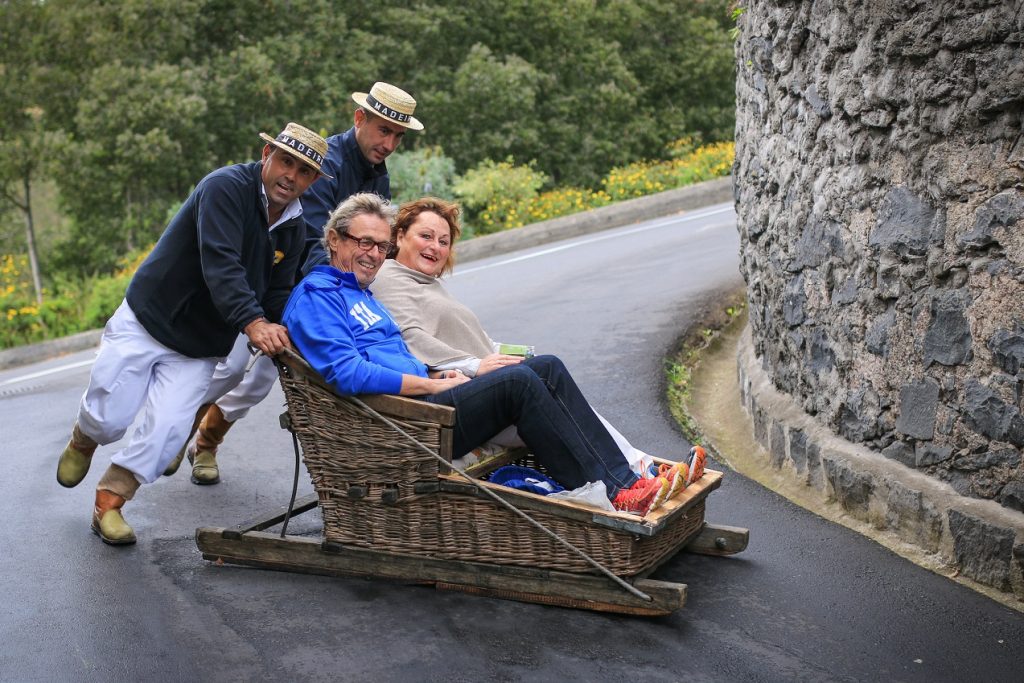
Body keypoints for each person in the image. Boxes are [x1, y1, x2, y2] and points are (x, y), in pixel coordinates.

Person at [282, 193, 696, 517]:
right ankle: (616, 493)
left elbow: (398, 350)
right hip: (408, 422)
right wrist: (431, 381)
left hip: (426, 399)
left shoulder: (361, 293)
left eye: (378, 245)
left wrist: (436, 374)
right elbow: (348, 373)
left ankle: (624, 483)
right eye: (362, 243)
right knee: (517, 383)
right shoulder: (318, 297)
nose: (373, 253)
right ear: (334, 239)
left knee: (545, 366)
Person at [56, 123, 330, 545]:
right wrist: (253, 323)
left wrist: (285, 334)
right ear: (266, 155)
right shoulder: (223, 188)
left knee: (167, 433)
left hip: (201, 346)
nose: (291, 176)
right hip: (151, 318)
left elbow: (278, 292)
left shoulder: (294, 227)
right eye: (286, 162)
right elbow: (220, 264)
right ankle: (85, 438)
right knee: (110, 416)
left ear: (312, 181)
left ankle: (108, 503)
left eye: (304, 171)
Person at [165, 82, 423, 485]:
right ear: (360, 119)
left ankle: (207, 442)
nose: (389, 143)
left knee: (260, 381)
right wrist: (332, 299)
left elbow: (369, 246)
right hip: (279, 285)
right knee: (229, 368)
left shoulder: (378, 177)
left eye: (397, 136)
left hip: (313, 293)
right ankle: (176, 433)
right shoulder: (324, 165)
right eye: (383, 130)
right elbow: (314, 242)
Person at [369, 196, 705, 486]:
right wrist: (475, 366)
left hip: (476, 386)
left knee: (548, 368)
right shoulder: (388, 277)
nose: (435, 247)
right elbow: (412, 340)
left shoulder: (427, 283)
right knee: (529, 383)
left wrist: (507, 354)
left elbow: (472, 339)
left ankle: (640, 472)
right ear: (400, 236)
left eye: (443, 241)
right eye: (425, 236)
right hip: (446, 398)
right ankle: (633, 478)